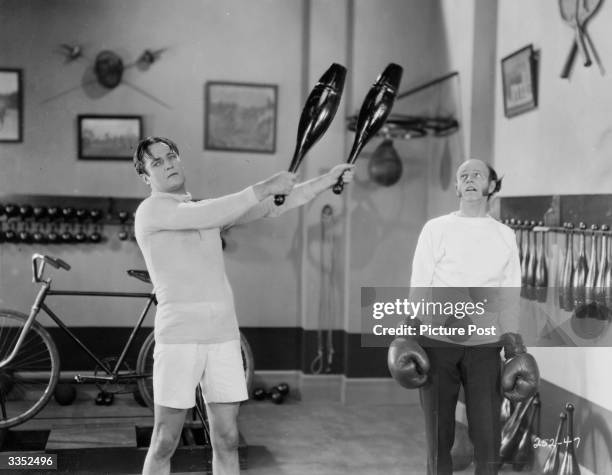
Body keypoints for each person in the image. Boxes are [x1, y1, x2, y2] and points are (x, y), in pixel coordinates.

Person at [132, 136, 354, 475]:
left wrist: (327, 180)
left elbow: (273, 204)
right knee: (165, 440)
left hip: (222, 336)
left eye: (171, 156)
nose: (168, 164)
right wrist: (265, 185)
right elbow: (223, 207)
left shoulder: (199, 211)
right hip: (180, 339)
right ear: (146, 177)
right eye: (157, 162)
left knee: (227, 437)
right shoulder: (152, 210)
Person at [387, 159, 539, 475]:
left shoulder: (505, 235)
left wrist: (513, 345)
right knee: (438, 438)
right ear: (457, 187)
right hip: (437, 344)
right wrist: (408, 332)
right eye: (463, 176)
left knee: (488, 438)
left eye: (477, 175)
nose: (469, 179)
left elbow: (510, 292)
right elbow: (420, 283)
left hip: (485, 346)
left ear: (492, 185)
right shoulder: (436, 228)